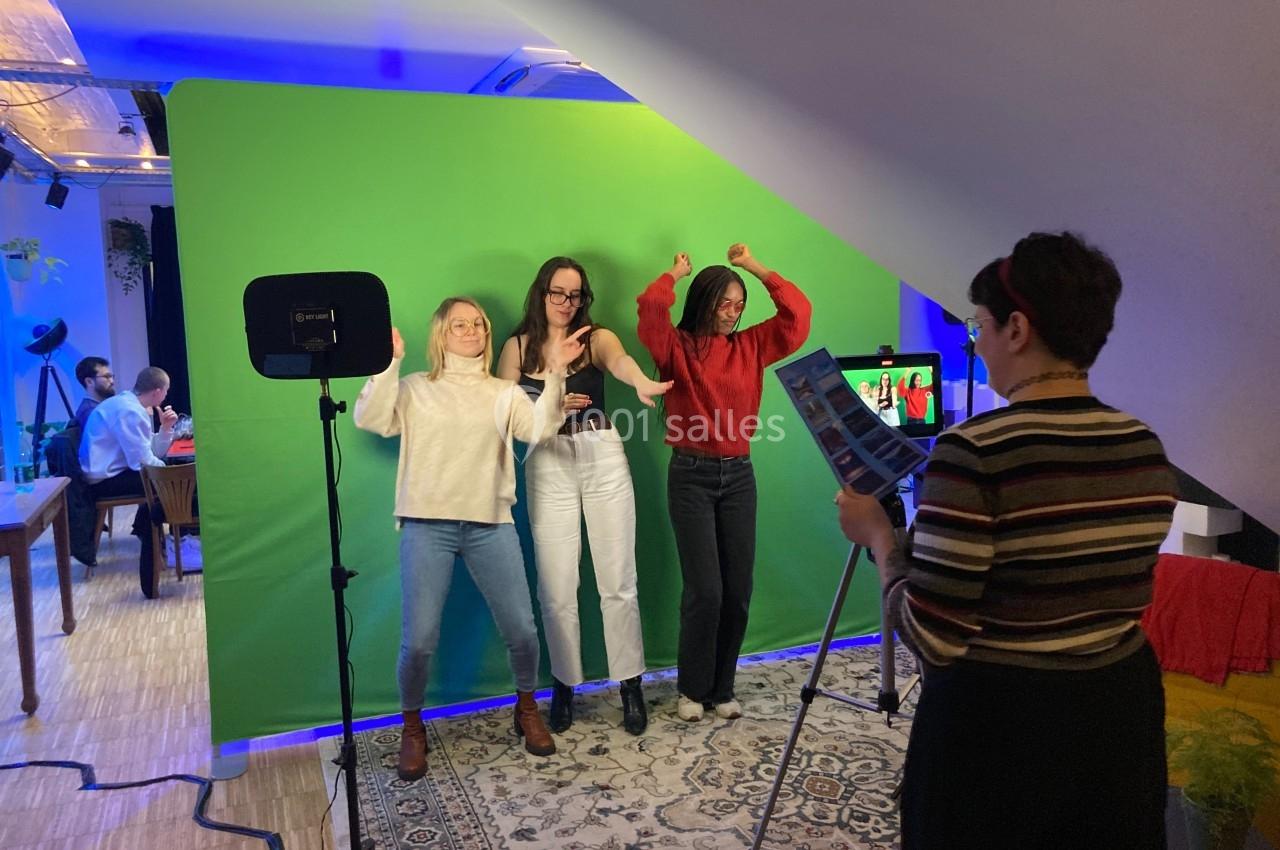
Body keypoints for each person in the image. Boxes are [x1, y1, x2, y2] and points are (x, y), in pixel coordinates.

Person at [835, 232, 1177, 849]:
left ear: (1017, 329)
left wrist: (881, 538)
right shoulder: (1142, 443)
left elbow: (932, 638)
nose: (979, 340)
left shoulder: (974, 453)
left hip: (1001, 730)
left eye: (981, 324)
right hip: (1120, 712)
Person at [354, 297, 587, 781]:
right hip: (426, 524)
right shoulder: (415, 388)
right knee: (418, 641)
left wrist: (557, 373)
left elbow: (541, 430)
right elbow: (370, 420)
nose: (471, 330)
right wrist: (389, 363)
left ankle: (526, 708)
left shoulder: (503, 392)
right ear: (441, 334)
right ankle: (413, 727)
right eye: (459, 324)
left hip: (489, 523)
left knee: (522, 630)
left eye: (478, 324)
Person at [497, 257, 673, 736]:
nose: (566, 303)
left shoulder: (596, 337)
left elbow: (621, 362)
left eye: (575, 295)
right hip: (547, 459)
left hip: (600, 450)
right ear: (541, 292)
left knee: (618, 578)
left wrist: (640, 382)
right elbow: (503, 407)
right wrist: (548, 402)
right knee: (556, 586)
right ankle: (564, 684)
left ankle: (629, 683)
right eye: (558, 293)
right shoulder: (516, 347)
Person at [637, 243, 811, 722]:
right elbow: (651, 310)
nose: (732, 314)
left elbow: (797, 314)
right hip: (690, 475)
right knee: (706, 591)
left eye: (739, 305)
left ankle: (722, 688)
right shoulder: (676, 347)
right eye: (723, 304)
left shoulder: (751, 346)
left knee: (737, 590)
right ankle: (692, 690)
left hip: (738, 476)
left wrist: (754, 266)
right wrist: (673, 273)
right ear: (704, 302)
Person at [79, 366, 179, 598]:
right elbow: (143, 463)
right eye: (166, 391)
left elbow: (150, 451)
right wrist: (172, 475)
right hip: (104, 481)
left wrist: (165, 429)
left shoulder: (128, 404)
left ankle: (157, 537)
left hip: (110, 473)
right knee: (175, 483)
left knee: (171, 477)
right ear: (157, 392)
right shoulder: (130, 412)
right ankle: (172, 542)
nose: (166, 396)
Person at [74, 356, 115, 433]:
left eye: (112, 376)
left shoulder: (98, 407)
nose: (112, 381)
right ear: (89, 381)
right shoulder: (90, 411)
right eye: (107, 377)